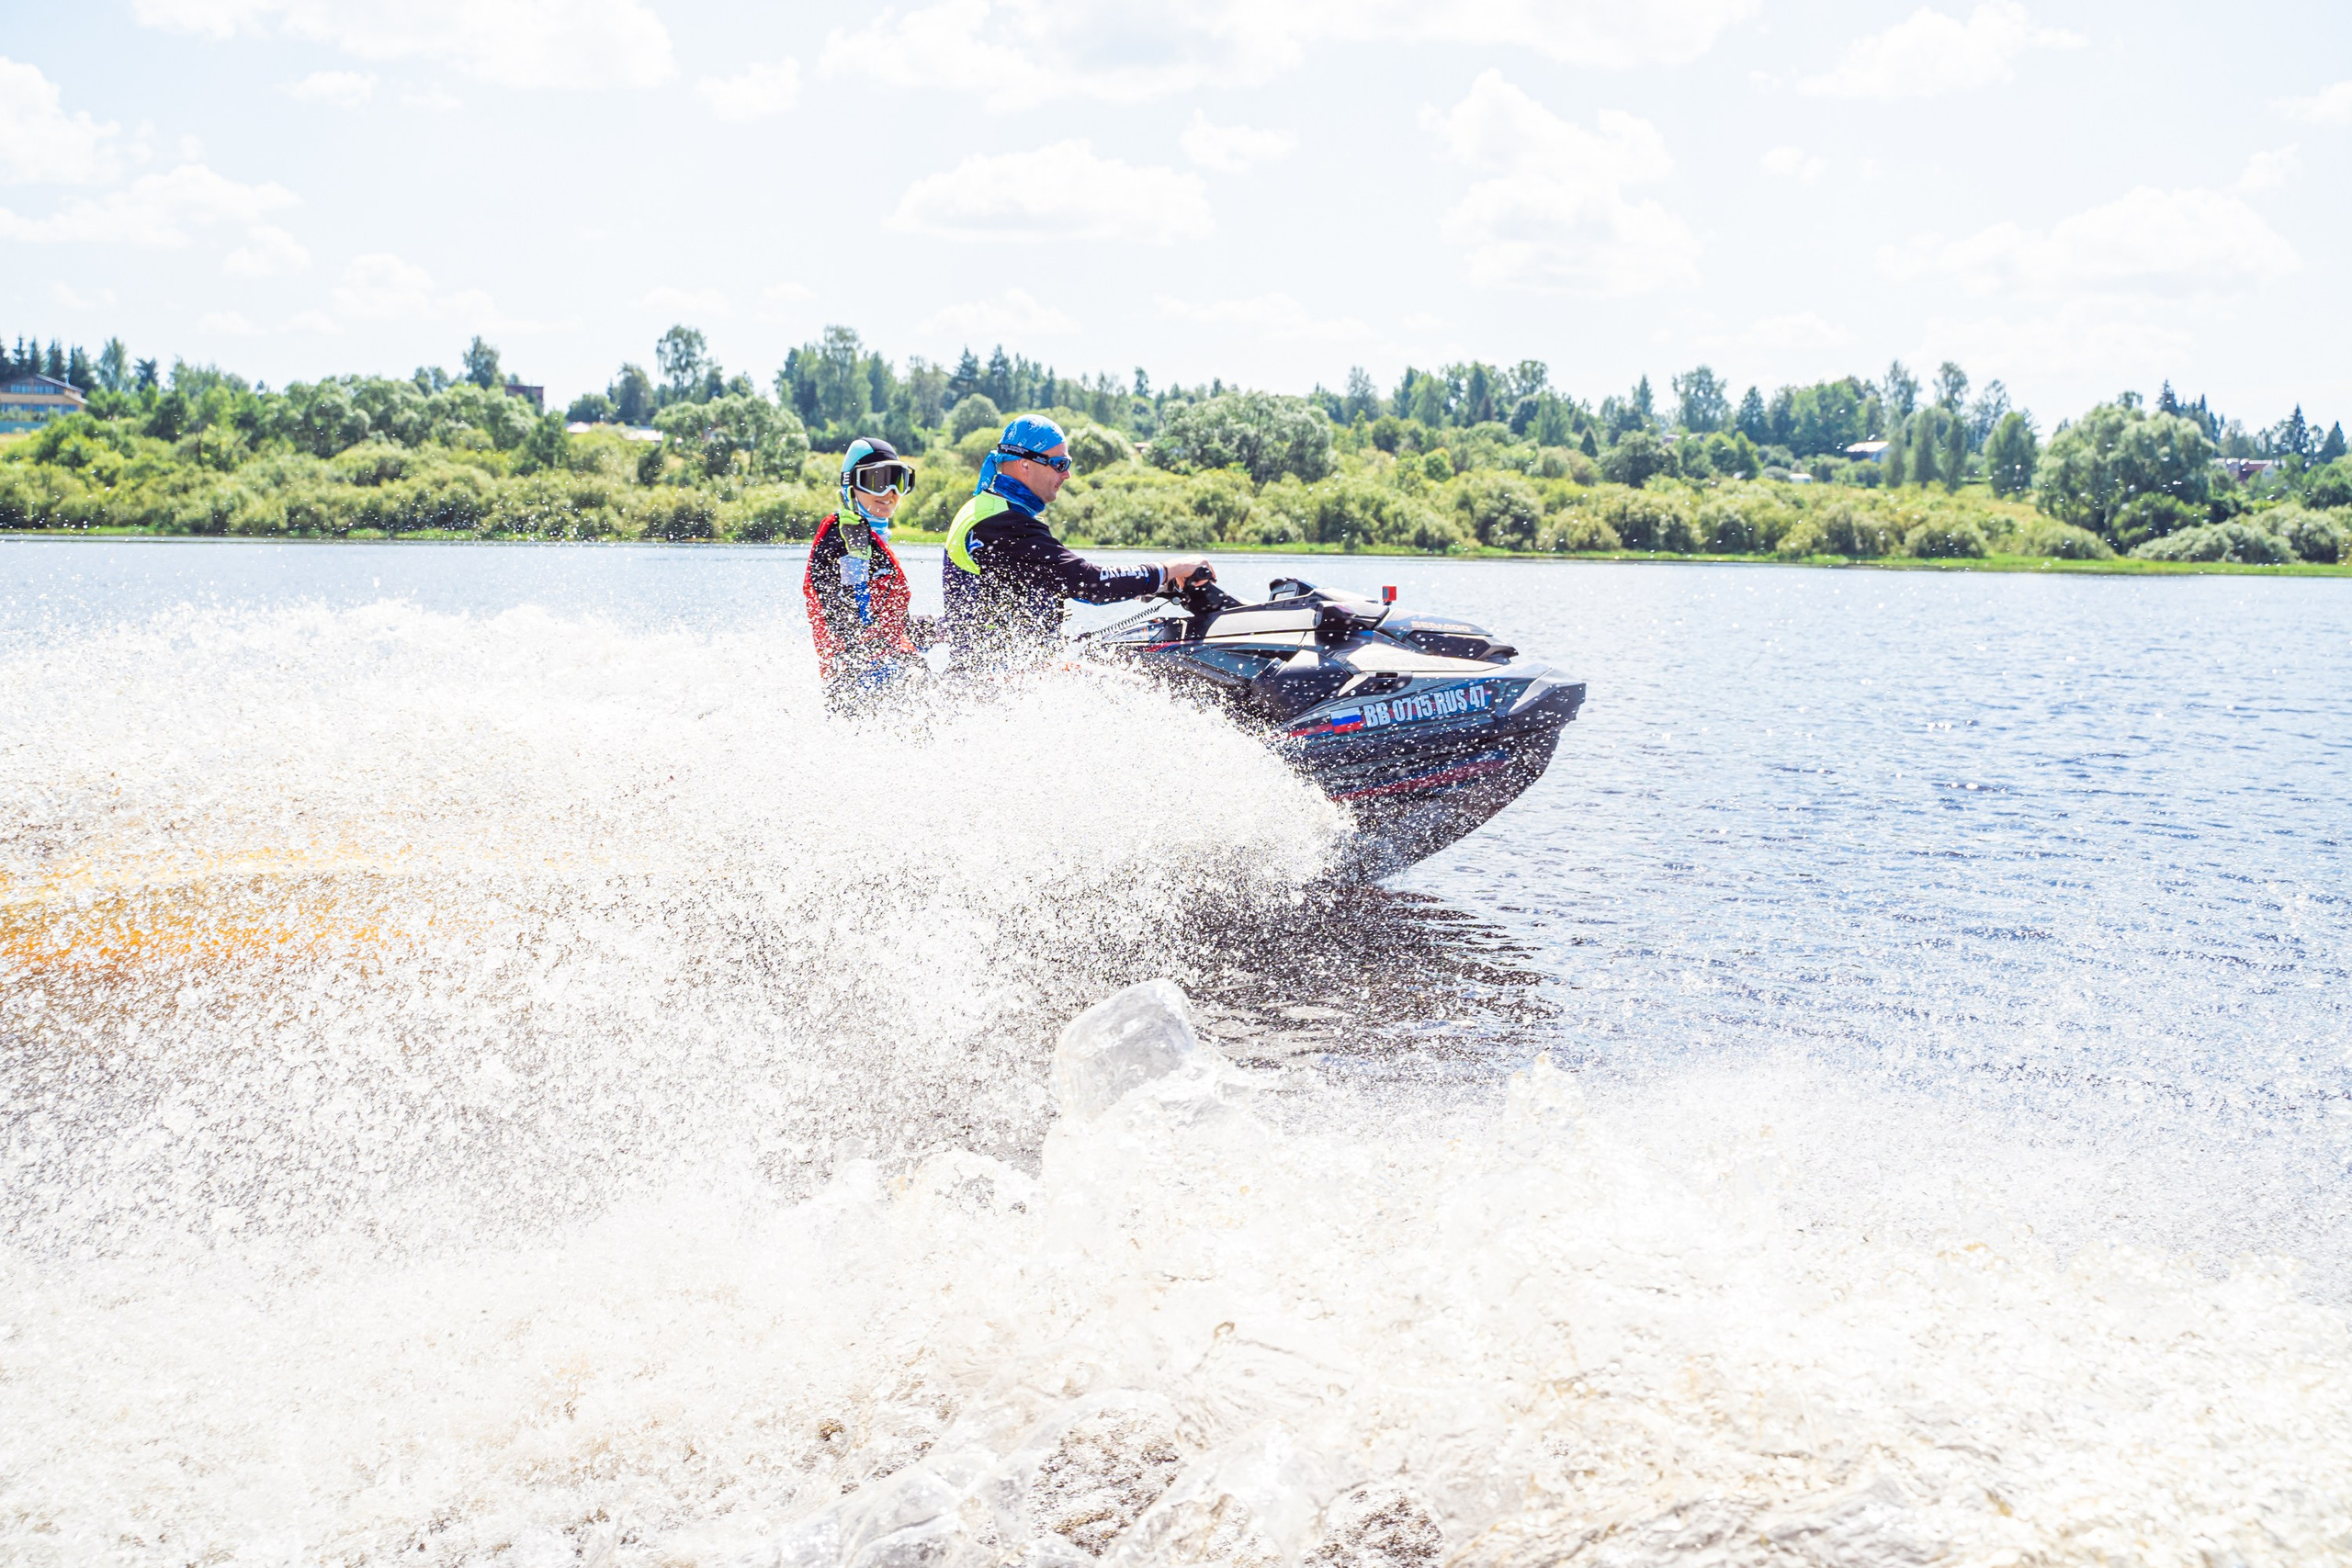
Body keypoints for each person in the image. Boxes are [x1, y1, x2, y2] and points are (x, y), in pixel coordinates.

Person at [943, 414, 1212, 669]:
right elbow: (1092, 582)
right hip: (999, 676)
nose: (1067, 474)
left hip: (1001, 667)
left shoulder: (984, 509)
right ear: (1025, 464)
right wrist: (1172, 568)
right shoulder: (1004, 524)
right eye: (1060, 464)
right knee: (1142, 683)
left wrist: (1154, 585)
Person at [804, 437, 923, 709]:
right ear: (851, 485)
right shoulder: (846, 539)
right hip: (858, 684)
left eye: (898, 481)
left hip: (883, 669)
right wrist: (901, 670)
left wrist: (941, 628)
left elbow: (889, 623)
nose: (890, 492)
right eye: (877, 481)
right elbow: (848, 621)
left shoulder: (869, 538)